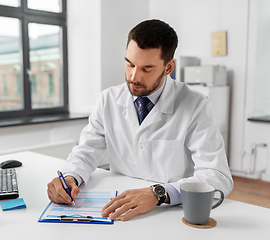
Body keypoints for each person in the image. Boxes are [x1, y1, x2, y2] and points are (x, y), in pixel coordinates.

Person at [47, 19, 233, 221]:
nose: (134, 77)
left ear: (169, 67)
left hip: (171, 213)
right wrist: (69, 177)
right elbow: (86, 153)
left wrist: (159, 193)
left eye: (147, 68)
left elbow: (217, 176)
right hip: (120, 211)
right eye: (129, 64)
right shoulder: (108, 100)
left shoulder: (196, 105)